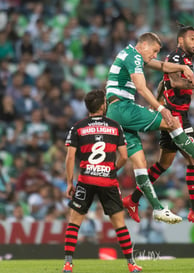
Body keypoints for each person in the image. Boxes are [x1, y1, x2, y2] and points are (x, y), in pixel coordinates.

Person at [106, 32, 194, 224]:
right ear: (144, 45)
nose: (154, 56)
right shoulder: (134, 56)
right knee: (172, 122)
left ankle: (156, 207)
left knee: (140, 163)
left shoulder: (132, 55)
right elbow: (141, 87)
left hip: (116, 114)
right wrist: (161, 108)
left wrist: (181, 67)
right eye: (154, 51)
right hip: (122, 108)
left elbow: (161, 65)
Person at [63, 90, 142, 273]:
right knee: (119, 224)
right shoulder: (115, 127)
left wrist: (69, 182)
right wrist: (112, 169)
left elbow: (70, 157)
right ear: (102, 106)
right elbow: (124, 156)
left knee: (74, 222)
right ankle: (131, 265)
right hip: (108, 181)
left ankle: (68, 264)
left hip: (85, 179)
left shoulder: (78, 127)